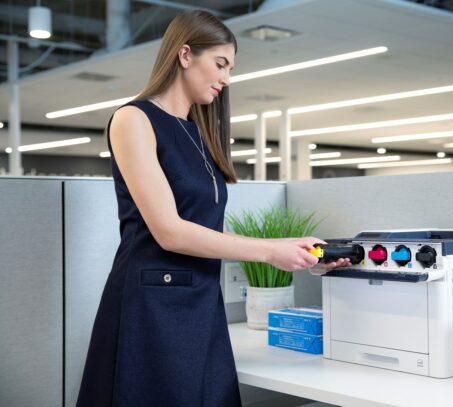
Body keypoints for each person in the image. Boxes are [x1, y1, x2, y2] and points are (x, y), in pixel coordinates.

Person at [76, 10, 350, 407]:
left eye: (231, 69)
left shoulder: (198, 134)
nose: (226, 78)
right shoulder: (133, 119)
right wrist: (269, 252)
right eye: (220, 64)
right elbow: (168, 230)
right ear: (185, 55)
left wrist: (289, 247)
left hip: (200, 302)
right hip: (150, 306)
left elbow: (206, 230)